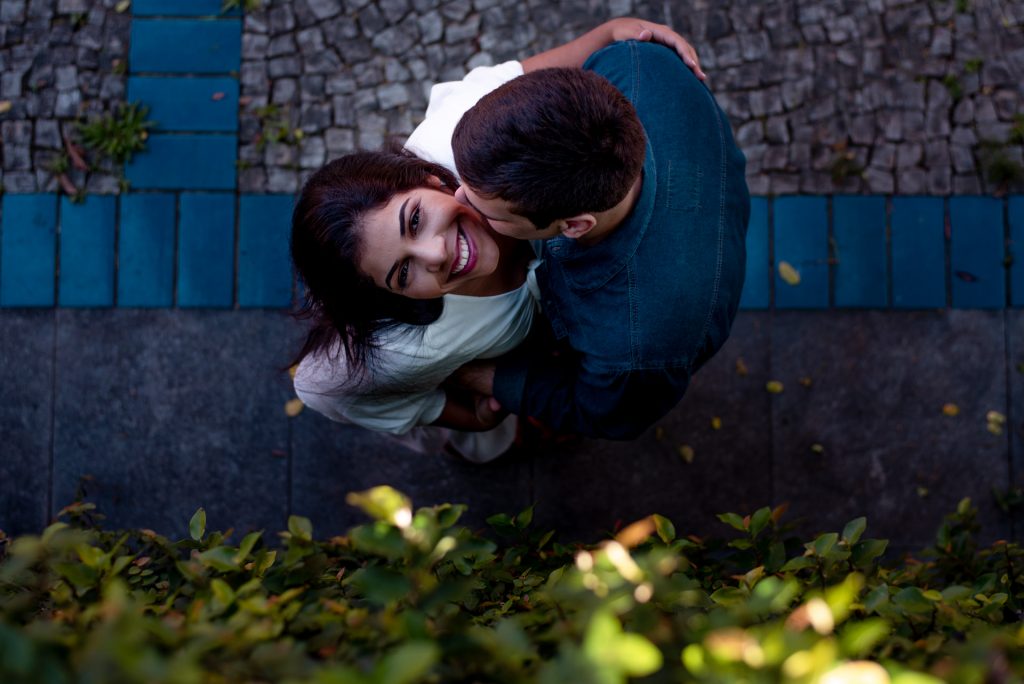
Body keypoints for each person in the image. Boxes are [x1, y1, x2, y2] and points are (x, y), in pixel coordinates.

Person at [291, 19, 704, 462]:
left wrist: (609, 35)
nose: (436, 254)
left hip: (554, 339)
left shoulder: (460, 132)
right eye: (403, 272)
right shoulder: (405, 348)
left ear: (427, 177)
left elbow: (526, 84)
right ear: (387, 293)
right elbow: (320, 389)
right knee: (490, 442)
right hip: (496, 374)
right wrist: (466, 414)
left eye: (414, 220)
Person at [446, 41, 750, 440]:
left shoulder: (636, 344)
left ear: (573, 226)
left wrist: (480, 377)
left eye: (488, 211)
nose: (456, 201)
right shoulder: (636, 62)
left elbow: (602, 412)